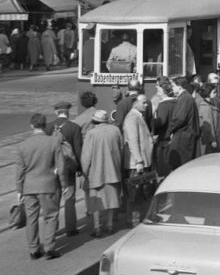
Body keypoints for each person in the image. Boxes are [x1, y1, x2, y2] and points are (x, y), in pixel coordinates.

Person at [15, 113, 67, 260]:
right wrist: (64, 184)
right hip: (48, 185)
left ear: (31, 126)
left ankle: (34, 250)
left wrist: (19, 189)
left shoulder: (22, 145)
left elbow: (20, 170)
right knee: (50, 216)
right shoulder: (53, 142)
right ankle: (49, 248)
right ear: (45, 125)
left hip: (29, 187)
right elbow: (61, 166)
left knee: (31, 218)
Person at [80, 109, 123, 237]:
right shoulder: (115, 130)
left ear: (94, 121)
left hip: (96, 172)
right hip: (113, 170)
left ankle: (97, 226)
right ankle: (109, 224)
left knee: (96, 201)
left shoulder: (91, 133)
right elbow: (121, 149)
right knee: (111, 199)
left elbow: (86, 157)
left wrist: (84, 172)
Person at [44, 101, 82, 237]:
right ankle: (71, 229)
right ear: (68, 112)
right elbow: (78, 150)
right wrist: (79, 168)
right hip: (68, 169)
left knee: (54, 200)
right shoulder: (74, 127)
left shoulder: (47, 128)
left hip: (52, 169)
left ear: (56, 112)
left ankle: (52, 229)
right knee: (70, 199)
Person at [122, 93, 154, 227]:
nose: (146, 105)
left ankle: (138, 219)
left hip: (141, 161)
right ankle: (134, 221)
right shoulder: (132, 118)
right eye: (144, 103)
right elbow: (132, 141)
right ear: (135, 103)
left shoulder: (137, 117)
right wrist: (139, 161)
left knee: (141, 192)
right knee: (135, 193)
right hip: (136, 164)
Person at [167, 77, 200, 170]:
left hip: (183, 138)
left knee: (180, 167)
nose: (172, 88)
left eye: (173, 86)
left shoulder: (184, 98)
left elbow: (179, 118)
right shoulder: (187, 97)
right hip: (186, 136)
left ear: (180, 86)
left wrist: (169, 131)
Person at [151, 77, 176, 178]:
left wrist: (151, 122)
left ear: (162, 89)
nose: (157, 91)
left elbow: (161, 122)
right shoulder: (176, 102)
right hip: (173, 139)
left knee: (164, 168)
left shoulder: (164, 104)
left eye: (158, 89)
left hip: (165, 141)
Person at [197, 83, 220, 154]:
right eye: (214, 92)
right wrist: (212, 140)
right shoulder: (206, 107)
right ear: (208, 92)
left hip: (216, 138)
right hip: (212, 141)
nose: (215, 94)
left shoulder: (210, 104)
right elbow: (208, 126)